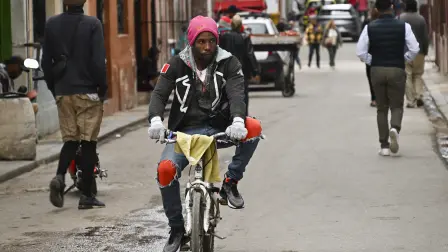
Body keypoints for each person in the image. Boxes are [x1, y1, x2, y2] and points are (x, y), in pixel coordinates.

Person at [147, 15, 261, 252]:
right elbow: (159, 94)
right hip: (184, 133)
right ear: (191, 42)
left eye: (211, 40)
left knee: (254, 128)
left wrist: (238, 119)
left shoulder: (229, 62)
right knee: (165, 170)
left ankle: (230, 183)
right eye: (201, 42)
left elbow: (236, 94)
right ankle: (177, 229)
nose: (207, 46)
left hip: (220, 129)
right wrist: (156, 119)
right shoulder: (177, 63)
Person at [42, 0, 107, 209]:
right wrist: (102, 87)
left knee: (70, 140)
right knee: (88, 142)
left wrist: (55, 88)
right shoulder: (93, 24)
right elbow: (98, 61)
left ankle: (60, 177)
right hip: (87, 91)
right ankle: (87, 195)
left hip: (63, 91)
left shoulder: (51, 24)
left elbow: (46, 63)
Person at [356, 0, 419, 156]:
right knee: (397, 105)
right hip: (396, 68)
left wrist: (373, 61)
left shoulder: (369, 28)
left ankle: (384, 146)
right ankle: (395, 128)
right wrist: (404, 58)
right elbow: (414, 48)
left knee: (381, 109)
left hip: (377, 70)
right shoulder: (404, 26)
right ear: (392, 7)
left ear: (376, 9)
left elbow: (361, 52)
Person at [219, 14, 260, 115]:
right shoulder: (244, 37)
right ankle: (243, 116)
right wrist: (255, 71)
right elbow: (249, 54)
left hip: (227, 72)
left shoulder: (224, 37)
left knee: (226, 95)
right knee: (243, 95)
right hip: (241, 72)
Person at [400, 0, 429, 108]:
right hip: (419, 51)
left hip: (405, 51)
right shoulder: (421, 19)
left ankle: (411, 101)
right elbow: (425, 37)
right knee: (418, 75)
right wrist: (425, 50)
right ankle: (419, 95)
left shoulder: (401, 18)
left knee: (407, 75)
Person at [362, 8, 380, 107]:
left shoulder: (367, 24)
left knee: (371, 78)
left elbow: (363, 40)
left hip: (370, 55)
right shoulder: (384, 24)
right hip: (383, 55)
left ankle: (374, 98)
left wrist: (364, 56)